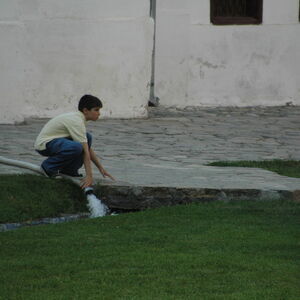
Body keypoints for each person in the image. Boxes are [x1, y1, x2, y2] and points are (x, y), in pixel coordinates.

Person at [34, 94, 114, 188]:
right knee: (77, 147)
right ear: (85, 110)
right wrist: (89, 176)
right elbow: (85, 151)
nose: (99, 113)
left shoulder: (79, 119)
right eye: (96, 110)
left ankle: (69, 172)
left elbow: (87, 148)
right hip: (45, 145)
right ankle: (48, 167)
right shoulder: (76, 121)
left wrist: (101, 168)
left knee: (87, 138)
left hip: (56, 142)